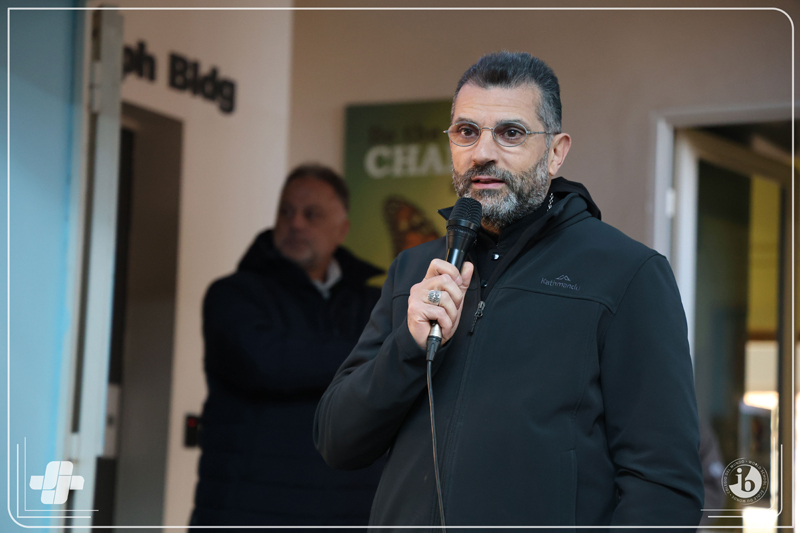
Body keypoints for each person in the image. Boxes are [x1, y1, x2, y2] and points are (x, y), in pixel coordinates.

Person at [314, 52, 704, 528]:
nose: (483, 152)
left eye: (511, 133)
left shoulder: (627, 274)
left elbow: (663, 484)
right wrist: (408, 348)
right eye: (466, 131)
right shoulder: (415, 271)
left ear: (556, 152)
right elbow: (337, 442)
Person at [190, 164, 385, 527]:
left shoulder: (375, 304)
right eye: (286, 212)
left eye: (311, 214)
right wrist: (374, 358)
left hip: (351, 514)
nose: (295, 223)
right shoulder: (233, 295)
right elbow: (268, 363)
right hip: (245, 515)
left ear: (342, 229)